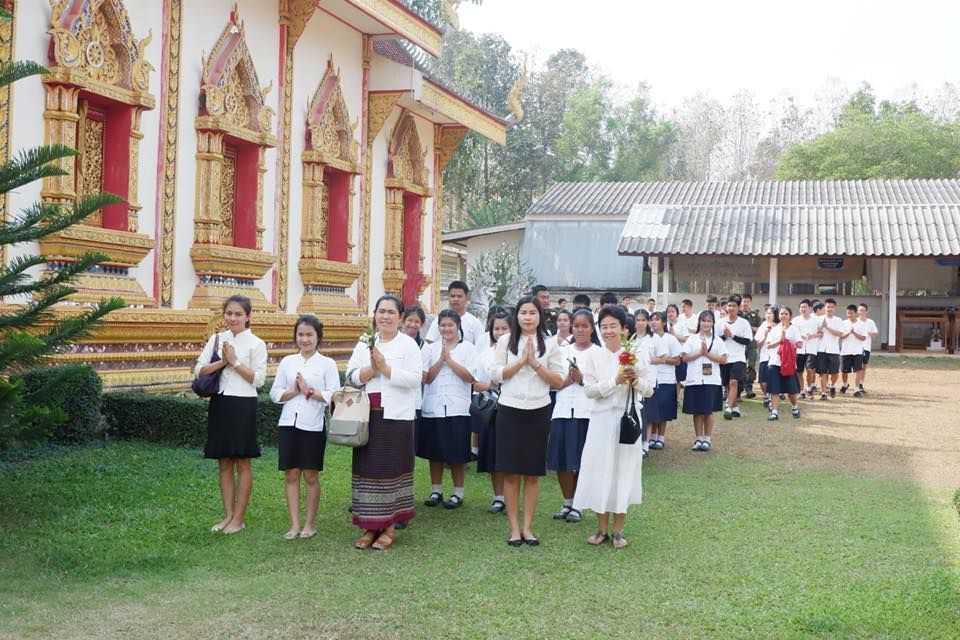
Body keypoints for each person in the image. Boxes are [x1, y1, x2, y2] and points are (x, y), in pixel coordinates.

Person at [573, 305, 654, 549]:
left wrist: (635, 380)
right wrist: (614, 381)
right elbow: (589, 390)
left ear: (624, 328)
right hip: (601, 421)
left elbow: (649, 390)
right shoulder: (593, 355)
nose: (608, 331)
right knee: (600, 471)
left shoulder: (636, 354)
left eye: (613, 326)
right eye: (604, 326)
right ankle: (601, 529)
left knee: (623, 471)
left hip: (627, 421)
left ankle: (618, 531)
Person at [346, 295, 422, 551]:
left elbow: (415, 380)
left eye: (391, 312)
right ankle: (370, 527)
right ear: (375, 315)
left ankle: (388, 528)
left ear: (400, 318)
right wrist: (371, 369)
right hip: (368, 417)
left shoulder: (408, 345)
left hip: (396, 419)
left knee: (391, 471)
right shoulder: (365, 343)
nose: (385, 316)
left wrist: (386, 369)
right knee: (368, 470)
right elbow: (352, 376)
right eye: (381, 311)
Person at [490, 297, 565, 546]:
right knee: (511, 473)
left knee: (532, 474)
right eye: (523, 312)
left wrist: (534, 364)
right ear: (517, 316)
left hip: (538, 411)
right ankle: (514, 528)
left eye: (533, 312)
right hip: (509, 410)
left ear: (540, 316)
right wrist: (522, 361)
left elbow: (558, 381)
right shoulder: (505, 341)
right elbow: (496, 375)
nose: (528, 317)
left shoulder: (550, 343)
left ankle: (528, 527)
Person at [194, 295, 268, 535]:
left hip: (243, 404)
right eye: (229, 313)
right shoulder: (216, 339)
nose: (233, 318)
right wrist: (223, 363)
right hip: (221, 401)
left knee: (242, 461)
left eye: (238, 314)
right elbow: (199, 369)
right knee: (223, 461)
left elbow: (258, 380)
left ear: (248, 316)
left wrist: (235, 362)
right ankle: (227, 514)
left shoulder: (257, 344)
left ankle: (239, 517)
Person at [270, 315, 341, 540]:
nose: (304, 339)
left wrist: (309, 391)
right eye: (300, 334)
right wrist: (293, 391)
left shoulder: (327, 364)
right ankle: (294, 524)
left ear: (318, 337)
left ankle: (310, 524)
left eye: (309, 334)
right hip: (288, 423)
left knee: (310, 475)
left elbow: (334, 395)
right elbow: (274, 393)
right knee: (291, 474)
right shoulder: (287, 362)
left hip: (313, 425)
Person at [419, 309, 480, 510]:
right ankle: (436, 490)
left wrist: (450, 360)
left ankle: (458, 492)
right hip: (433, 406)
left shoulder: (468, 349)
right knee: (434, 452)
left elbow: (470, 377)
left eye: (450, 325)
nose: (446, 329)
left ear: (457, 326)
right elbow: (426, 378)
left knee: (457, 453)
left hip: (458, 408)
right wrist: (441, 360)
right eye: (442, 325)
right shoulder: (429, 348)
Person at [547, 308, 599, 523]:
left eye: (584, 326)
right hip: (562, 410)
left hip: (586, 412)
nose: (580, 330)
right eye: (576, 326)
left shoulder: (598, 353)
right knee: (562, 460)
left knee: (582, 461)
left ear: (592, 328)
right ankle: (567, 501)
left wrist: (581, 379)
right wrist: (568, 380)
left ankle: (579, 503)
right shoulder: (561, 351)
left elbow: (602, 386)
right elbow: (551, 382)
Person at [474, 308, 511, 513]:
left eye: (504, 328)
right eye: (496, 328)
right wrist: (490, 385)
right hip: (492, 408)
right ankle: (498, 496)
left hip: (514, 406)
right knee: (493, 453)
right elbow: (477, 383)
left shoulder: (517, 351)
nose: (500, 332)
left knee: (511, 454)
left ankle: (511, 495)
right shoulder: (485, 353)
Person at [681, 311, 728, 452]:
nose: (706, 323)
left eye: (709, 321)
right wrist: (699, 353)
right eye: (703, 320)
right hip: (694, 379)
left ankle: (707, 438)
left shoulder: (718, 340)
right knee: (697, 411)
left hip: (711, 379)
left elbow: (723, 359)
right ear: (699, 322)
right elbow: (684, 357)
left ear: (713, 323)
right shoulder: (692, 339)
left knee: (708, 411)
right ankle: (698, 438)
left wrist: (707, 354)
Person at [648, 311, 681, 450]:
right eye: (652, 319)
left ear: (663, 322)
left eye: (657, 319)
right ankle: (652, 435)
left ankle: (661, 437)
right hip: (651, 379)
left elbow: (677, 360)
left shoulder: (671, 339)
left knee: (664, 410)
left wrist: (662, 359)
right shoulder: (648, 338)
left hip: (667, 379)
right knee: (653, 409)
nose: (654, 322)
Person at [718, 296, 753, 420]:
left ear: (738, 308)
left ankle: (728, 407)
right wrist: (724, 336)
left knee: (734, 382)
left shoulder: (744, 323)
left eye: (734, 306)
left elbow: (747, 341)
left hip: (738, 358)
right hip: (724, 358)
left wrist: (732, 336)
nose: (731, 308)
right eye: (729, 305)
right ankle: (735, 407)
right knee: (727, 384)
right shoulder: (720, 322)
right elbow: (716, 340)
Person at [764, 306, 801, 420]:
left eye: (786, 314)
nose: (783, 316)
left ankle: (795, 407)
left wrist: (788, 343)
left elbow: (799, 344)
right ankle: (774, 412)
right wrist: (779, 341)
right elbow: (768, 345)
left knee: (791, 390)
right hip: (775, 362)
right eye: (781, 314)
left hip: (788, 363)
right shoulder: (774, 329)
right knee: (774, 389)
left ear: (790, 316)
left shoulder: (794, 329)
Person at [426, 281, 485, 346]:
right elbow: (429, 343)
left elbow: (481, 347)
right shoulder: (439, 320)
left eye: (459, 296)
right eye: (452, 296)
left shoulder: (475, 323)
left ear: (467, 297)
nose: (455, 299)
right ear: (448, 297)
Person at [816, 298, 845, 400]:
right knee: (822, 372)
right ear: (825, 307)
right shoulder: (819, 319)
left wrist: (827, 327)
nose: (829, 309)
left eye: (832, 307)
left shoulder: (838, 320)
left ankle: (832, 385)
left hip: (834, 350)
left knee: (835, 373)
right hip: (821, 349)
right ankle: (823, 393)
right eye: (828, 307)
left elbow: (840, 334)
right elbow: (816, 332)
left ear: (835, 308)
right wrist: (819, 330)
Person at [839, 304, 866, 397]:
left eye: (851, 313)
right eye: (848, 313)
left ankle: (856, 389)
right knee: (844, 371)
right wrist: (848, 333)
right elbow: (841, 336)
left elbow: (863, 338)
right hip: (845, 351)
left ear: (856, 313)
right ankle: (845, 384)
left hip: (857, 351)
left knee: (858, 370)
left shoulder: (861, 324)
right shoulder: (843, 323)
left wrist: (854, 333)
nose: (849, 315)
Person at [739, 294, 762, 398]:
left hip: (751, 345)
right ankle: (739, 389)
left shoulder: (755, 315)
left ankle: (749, 388)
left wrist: (750, 328)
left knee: (751, 366)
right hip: (740, 345)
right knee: (740, 366)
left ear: (750, 302)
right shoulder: (737, 314)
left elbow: (760, 329)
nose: (745, 303)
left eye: (747, 301)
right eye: (743, 301)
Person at [754, 306, 776, 408]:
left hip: (775, 357)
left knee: (772, 379)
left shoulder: (779, 326)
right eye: (767, 313)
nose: (768, 315)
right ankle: (766, 395)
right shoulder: (763, 326)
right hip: (764, 356)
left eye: (770, 313)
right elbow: (758, 344)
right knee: (762, 381)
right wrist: (766, 335)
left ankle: (771, 397)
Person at [803, 301, 825, 397]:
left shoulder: (820, 318)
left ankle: (813, 385)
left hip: (818, 348)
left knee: (814, 368)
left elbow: (820, 333)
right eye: (823, 309)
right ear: (818, 310)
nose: (825, 311)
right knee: (811, 368)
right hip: (811, 348)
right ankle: (810, 385)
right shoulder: (813, 318)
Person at [857, 304, 880, 394]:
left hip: (866, 347)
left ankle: (861, 384)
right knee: (857, 367)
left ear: (866, 311)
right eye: (860, 310)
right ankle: (853, 384)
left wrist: (869, 333)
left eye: (863, 310)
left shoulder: (870, 322)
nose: (861, 312)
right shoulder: (855, 321)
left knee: (863, 367)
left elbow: (875, 333)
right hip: (856, 348)